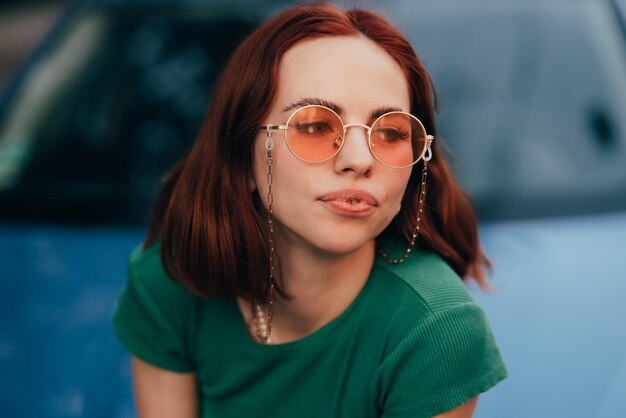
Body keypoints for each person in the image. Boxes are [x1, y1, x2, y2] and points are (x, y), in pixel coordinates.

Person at [112, 3, 508, 417]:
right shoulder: (173, 281)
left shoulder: (435, 329)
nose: (359, 159)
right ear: (242, 156)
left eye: (390, 132)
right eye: (316, 126)